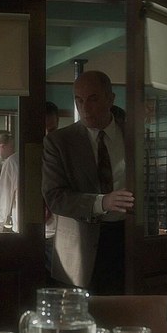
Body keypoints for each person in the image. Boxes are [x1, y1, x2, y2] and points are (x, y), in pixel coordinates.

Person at [42, 71, 134, 295]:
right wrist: (102, 202)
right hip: (79, 248)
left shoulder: (133, 136)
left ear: (110, 99)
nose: (85, 107)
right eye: (79, 100)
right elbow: (55, 197)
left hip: (128, 238)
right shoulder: (59, 142)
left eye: (93, 99)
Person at [0, 102, 60, 234]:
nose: (47, 136)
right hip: (27, 237)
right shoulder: (15, 163)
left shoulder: (64, 160)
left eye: (52, 130)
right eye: (42, 131)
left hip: (60, 236)